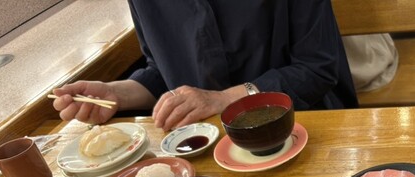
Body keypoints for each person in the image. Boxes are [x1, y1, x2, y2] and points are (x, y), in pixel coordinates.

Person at [50, 0, 358, 131]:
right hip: (205, 141)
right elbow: (163, 72)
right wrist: (117, 94)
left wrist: (223, 99)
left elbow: (317, 68)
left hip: (299, 125)